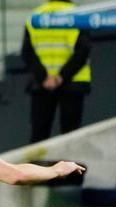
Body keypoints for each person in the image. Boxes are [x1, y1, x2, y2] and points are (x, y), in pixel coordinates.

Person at [22, 0, 91, 143]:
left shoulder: (36, 15)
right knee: (72, 136)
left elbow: (27, 52)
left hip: (42, 85)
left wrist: (44, 78)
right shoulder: (78, 15)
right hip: (73, 83)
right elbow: (82, 51)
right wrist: (60, 77)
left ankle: (38, 166)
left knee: (39, 137)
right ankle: (72, 166)